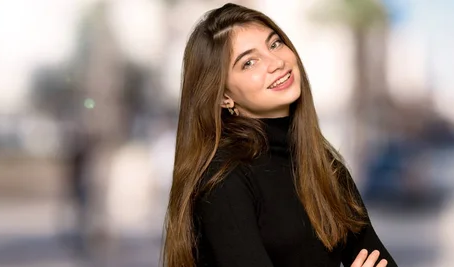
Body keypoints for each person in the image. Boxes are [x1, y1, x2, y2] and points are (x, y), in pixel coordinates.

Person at [162, 3, 398, 267]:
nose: (276, 63)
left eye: (274, 44)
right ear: (223, 97)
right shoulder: (223, 179)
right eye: (249, 62)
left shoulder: (323, 166)